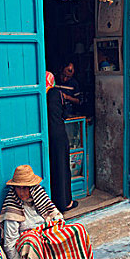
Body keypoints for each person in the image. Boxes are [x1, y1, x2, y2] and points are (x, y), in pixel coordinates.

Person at [0, 165, 98, 259]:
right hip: (30, 243)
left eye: (25, 188)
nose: (22, 192)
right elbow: (10, 243)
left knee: (77, 230)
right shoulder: (12, 207)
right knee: (32, 240)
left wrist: (51, 227)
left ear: (32, 188)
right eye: (18, 187)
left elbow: (57, 217)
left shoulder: (40, 196)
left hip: (46, 233)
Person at [46, 71, 78, 212]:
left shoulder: (40, 94)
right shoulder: (56, 93)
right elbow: (64, 114)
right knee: (63, 168)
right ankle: (65, 202)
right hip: (59, 134)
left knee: (52, 167)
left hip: (46, 135)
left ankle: (52, 202)